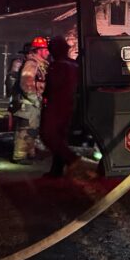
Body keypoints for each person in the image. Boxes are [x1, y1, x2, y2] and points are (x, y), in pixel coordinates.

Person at [40, 35, 82, 177]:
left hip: (57, 106)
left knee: (49, 135)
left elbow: (52, 88)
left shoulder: (58, 66)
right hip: (71, 107)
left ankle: (73, 160)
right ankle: (56, 170)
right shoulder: (74, 65)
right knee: (60, 138)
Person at [11, 36, 48, 164]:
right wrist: (35, 99)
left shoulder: (39, 64)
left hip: (34, 103)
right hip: (29, 103)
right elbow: (26, 83)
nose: (48, 52)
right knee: (25, 130)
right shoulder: (31, 64)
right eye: (45, 49)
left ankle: (30, 153)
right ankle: (19, 157)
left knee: (32, 130)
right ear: (39, 50)